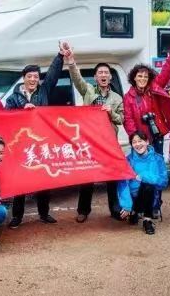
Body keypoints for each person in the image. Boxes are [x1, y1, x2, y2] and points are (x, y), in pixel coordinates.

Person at [5, 44, 67, 228]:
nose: (33, 79)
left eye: (35, 77)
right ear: (23, 78)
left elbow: (53, 74)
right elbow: (6, 118)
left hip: (42, 142)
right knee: (21, 180)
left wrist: (60, 56)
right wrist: (21, 111)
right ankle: (17, 216)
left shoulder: (44, 91)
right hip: (22, 144)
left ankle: (44, 213)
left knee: (43, 178)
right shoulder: (13, 98)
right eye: (29, 76)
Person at [62, 41, 124, 223]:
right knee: (88, 176)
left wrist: (111, 112)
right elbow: (77, 78)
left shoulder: (117, 98)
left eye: (106, 73)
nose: (103, 75)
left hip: (109, 143)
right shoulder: (88, 91)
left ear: (110, 77)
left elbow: (121, 119)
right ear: (95, 77)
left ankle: (115, 209)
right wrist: (70, 61)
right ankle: (83, 210)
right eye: (100, 73)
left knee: (112, 177)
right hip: (90, 142)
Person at [123, 41, 170, 155]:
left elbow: (165, 73)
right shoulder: (128, 97)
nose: (142, 79)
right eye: (139, 76)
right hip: (141, 139)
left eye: (145, 76)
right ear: (134, 78)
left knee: (158, 159)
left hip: (157, 134)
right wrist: (136, 138)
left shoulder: (154, 87)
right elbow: (128, 120)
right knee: (143, 163)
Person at [117, 131, 169, 235]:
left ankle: (147, 220)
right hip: (133, 198)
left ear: (147, 142)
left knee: (148, 186)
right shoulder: (128, 160)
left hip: (150, 196)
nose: (137, 144)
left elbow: (163, 182)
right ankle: (133, 211)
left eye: (140, 141)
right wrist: (126, 205)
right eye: (134, 142)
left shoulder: (157, 158)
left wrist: (141, 177)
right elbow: (123, 183)